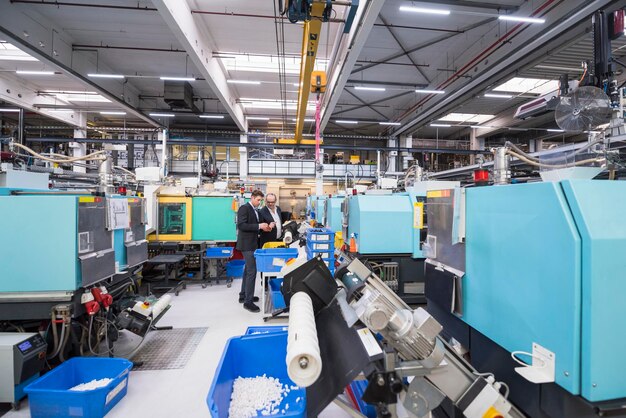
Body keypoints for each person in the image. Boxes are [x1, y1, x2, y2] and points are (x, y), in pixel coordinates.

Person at [236, 189, 270, 312]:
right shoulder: (244, 208)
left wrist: (264, 227)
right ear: (252, 198)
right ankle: (248, 302)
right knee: (252, 271)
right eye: (258, 200)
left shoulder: (255, 210)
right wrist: (259, 226)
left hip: (252, 244)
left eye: (261, 200)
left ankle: (243, 295)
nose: (259, 203)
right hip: (246, 245)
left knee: (247, 271)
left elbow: (255, 226)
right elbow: (241, 225)